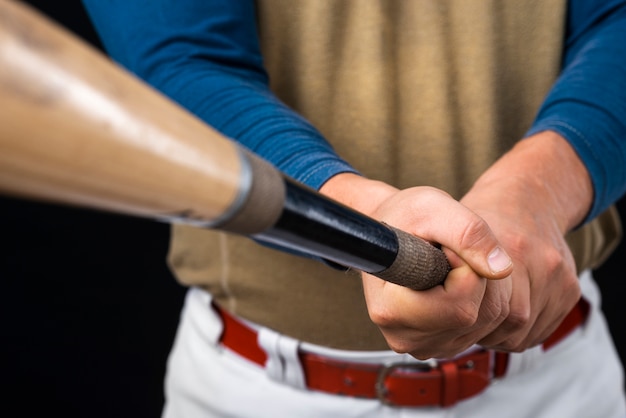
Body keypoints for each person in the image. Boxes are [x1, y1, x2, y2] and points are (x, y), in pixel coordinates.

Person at [81, 0, 626, 416]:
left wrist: (538, 190)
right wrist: (357, 206)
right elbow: (177, 58)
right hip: (258, 395)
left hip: (559, 386)